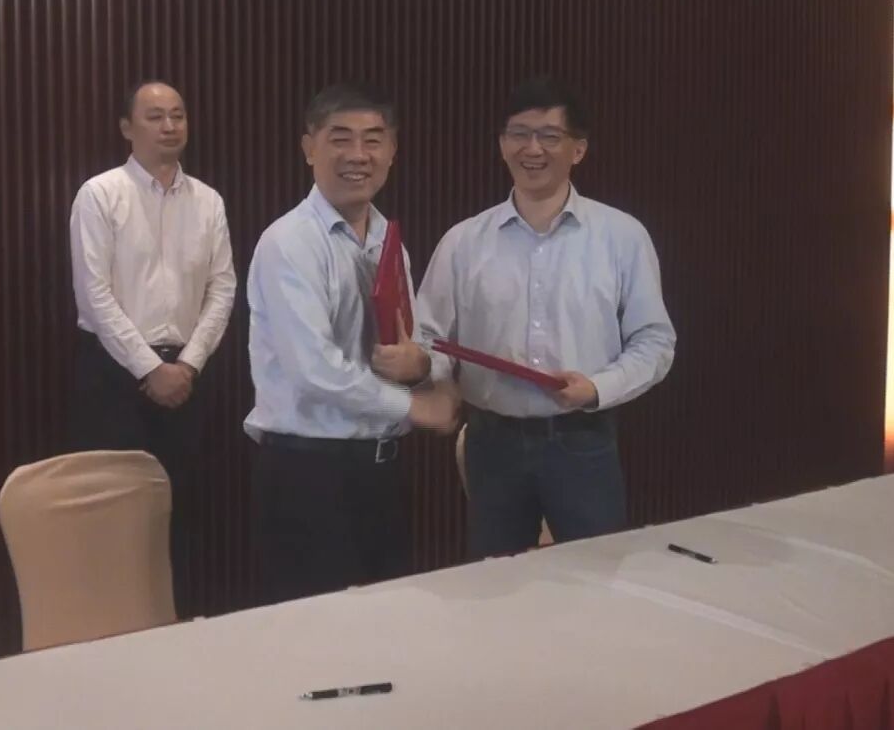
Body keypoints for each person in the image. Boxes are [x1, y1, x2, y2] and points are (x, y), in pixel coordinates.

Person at [417, 75, 676, 559]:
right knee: (497, 577)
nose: (532, 149)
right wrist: (438, 379)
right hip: (492, 443)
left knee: (595, 577)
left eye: (549, 136)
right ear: (502, 144)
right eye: (519, 134)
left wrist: (597, 388)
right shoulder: (463, 241)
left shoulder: (621, 236)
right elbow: (428, 336)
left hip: (582, 440)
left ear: (578, 149)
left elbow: (655, 340)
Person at [244, 82, 459, 605]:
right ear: (309, 148)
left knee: (384, 623)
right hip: (308, 474)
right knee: (316, 635)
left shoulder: (389, 241)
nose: (358, 155)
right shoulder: (289, 242)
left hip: (380, 472)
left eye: (373, 140)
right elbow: (314, 371)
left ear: (393, 151)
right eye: (340, 138)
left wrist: (422, 366)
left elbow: (413, 339)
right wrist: (415, 407)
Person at [67, 79, 236, 614]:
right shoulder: (100, 194)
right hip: (113, 375)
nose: (169, 126)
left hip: (187, 375)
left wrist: (188, 364)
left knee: (183, 512)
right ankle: (116, 629)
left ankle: (178, 624)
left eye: (178, 116)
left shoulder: (208, 201)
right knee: (116, 517)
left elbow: (223, 288)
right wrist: (148, 368)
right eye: (155, 116)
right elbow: (94, 295)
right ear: (126, 127)